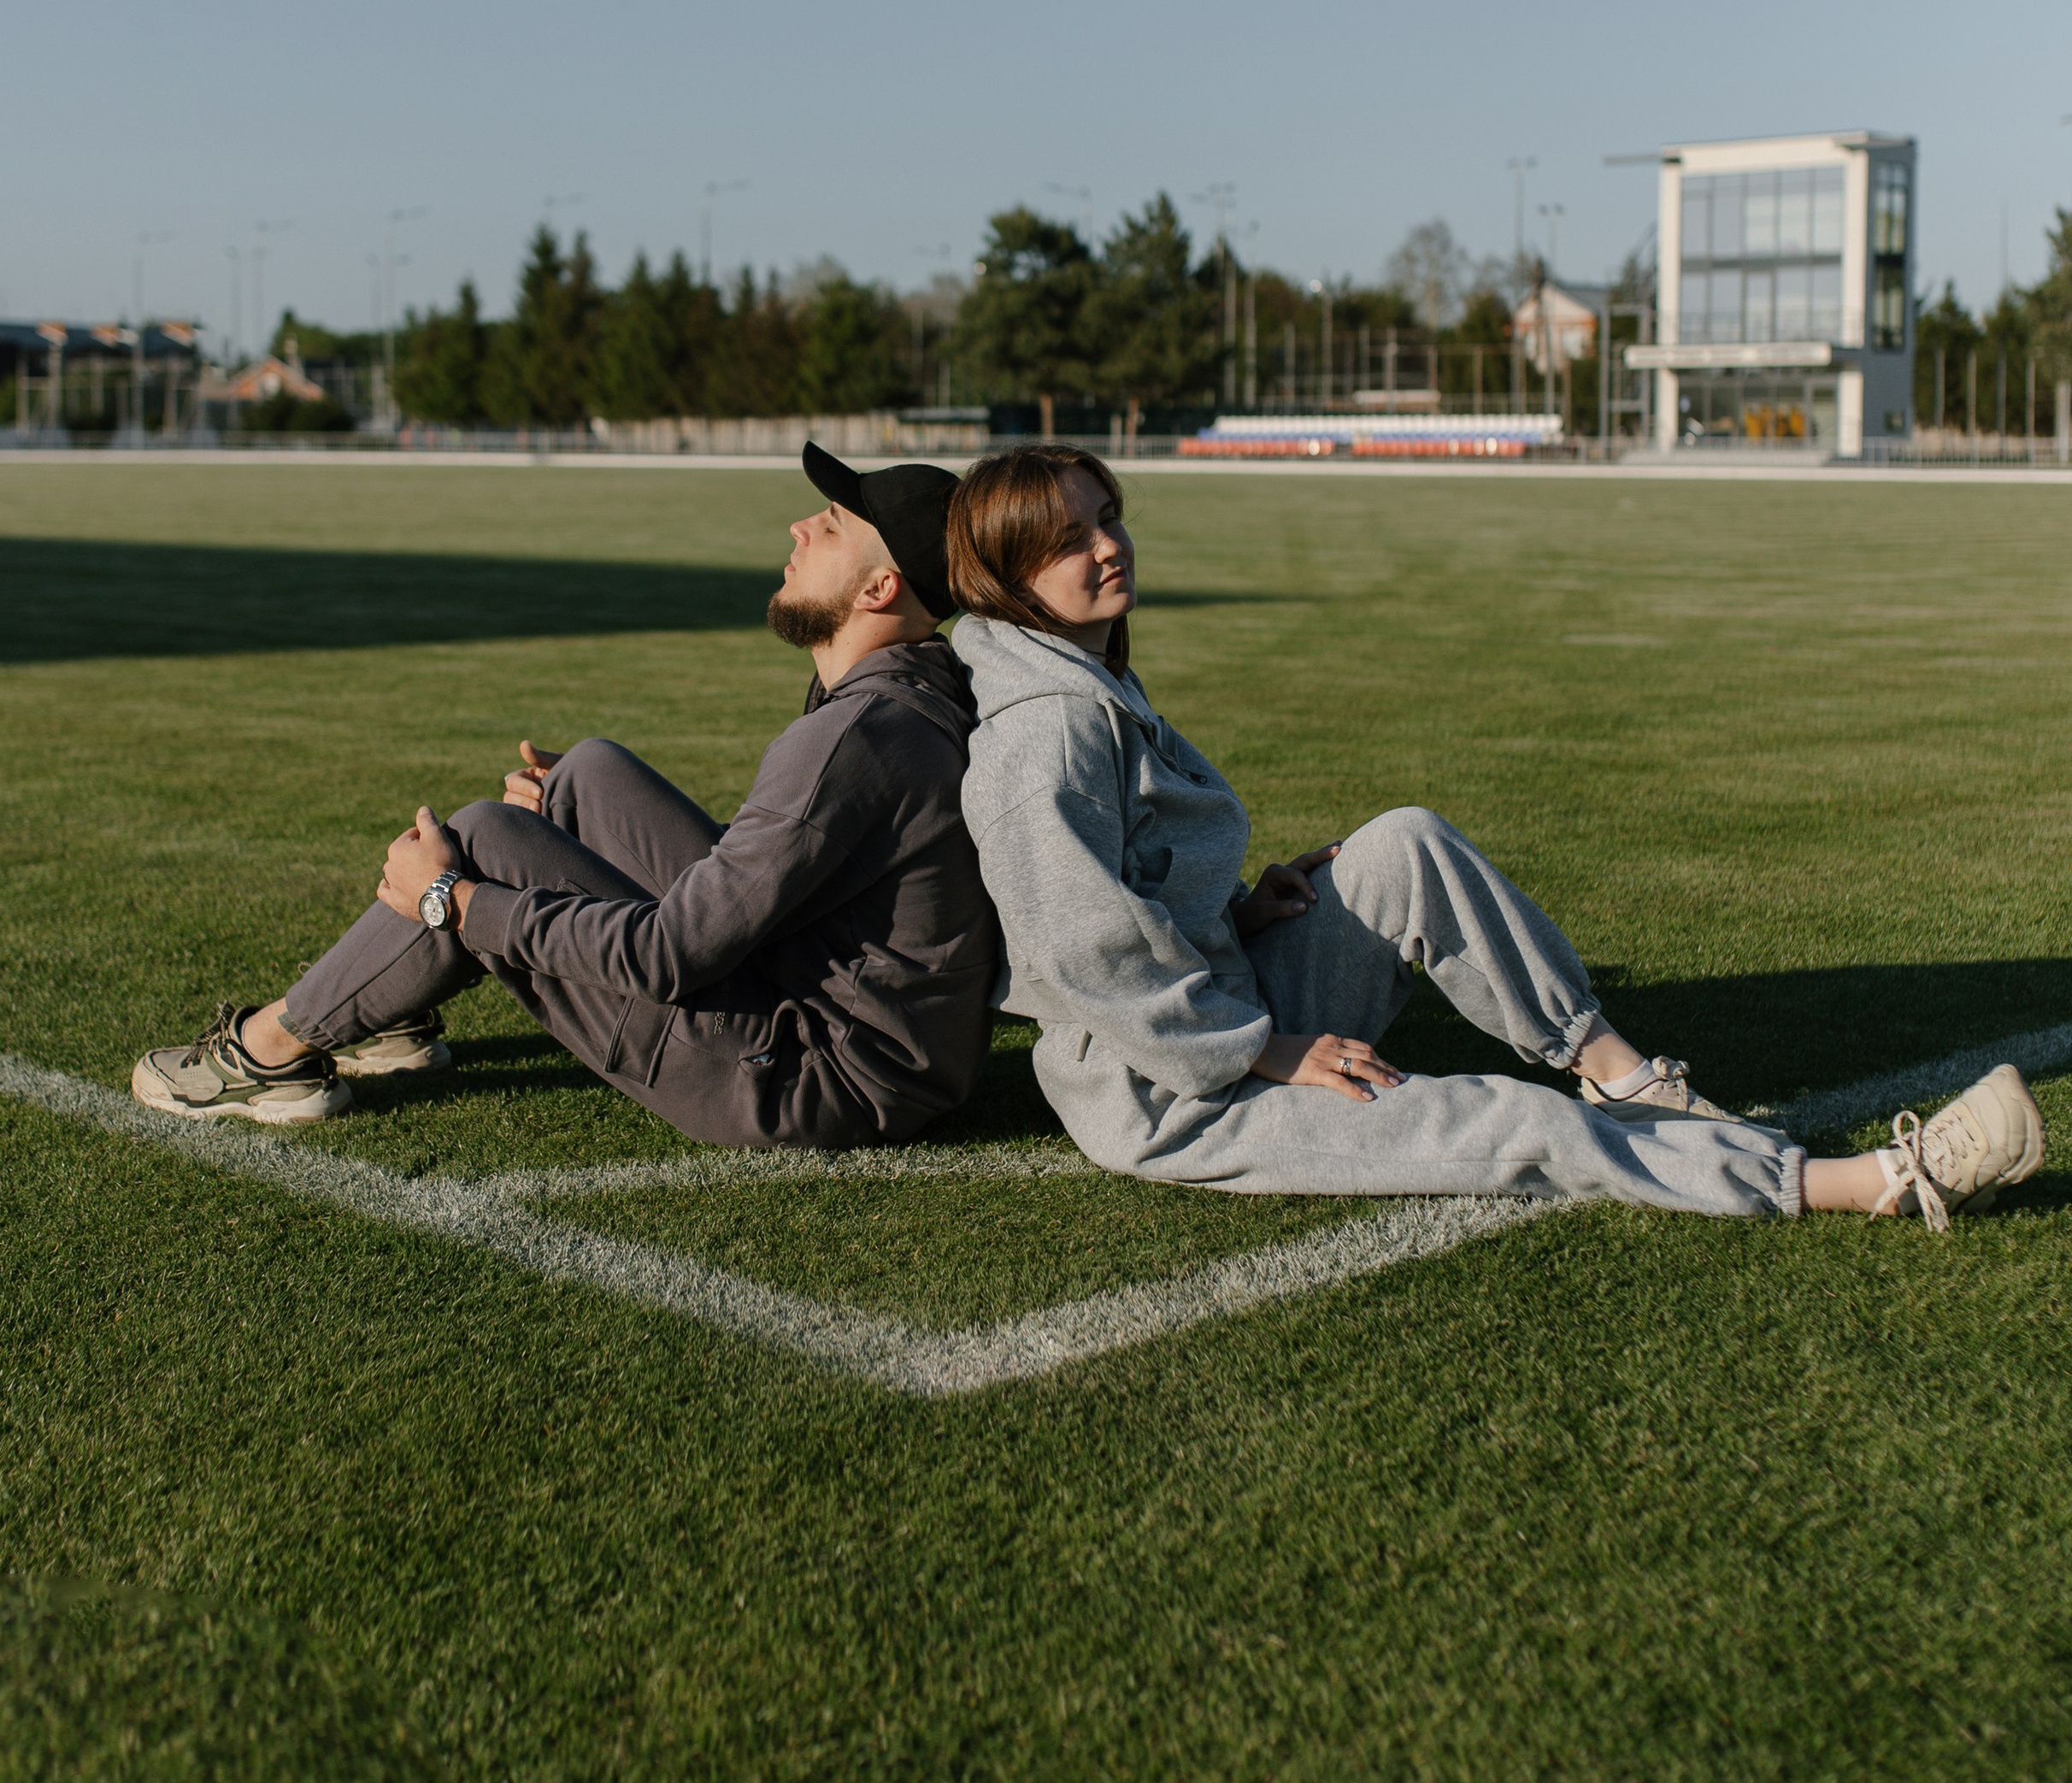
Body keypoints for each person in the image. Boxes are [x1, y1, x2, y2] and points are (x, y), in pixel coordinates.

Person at [943, 445, 2045, 1230]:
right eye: (1069, 539)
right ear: (1006, 572)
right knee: (1504, 1119)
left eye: (1108, 515)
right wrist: (1267, 1051)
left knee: (1401, 844)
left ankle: (1619, 1078)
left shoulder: (1088, 680)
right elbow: (1082, 955)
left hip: (1225, 996)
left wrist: (1237, 911)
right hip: (1173, 1094)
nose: (1107, 546)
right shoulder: (1044, 734)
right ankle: (1871, 1184)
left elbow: (1124, 894)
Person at [133, 448, 999, 1148]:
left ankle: (273, 1051)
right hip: (854, 1026)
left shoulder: (852, 739)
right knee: (588, 773)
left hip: (811, 1077)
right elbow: (795, 871)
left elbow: (670, 955)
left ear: (878, 590)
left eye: (834, 524)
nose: (800, 525)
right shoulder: (902, 692)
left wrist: (454, 901)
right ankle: (385, 1014)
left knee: (479, 841)